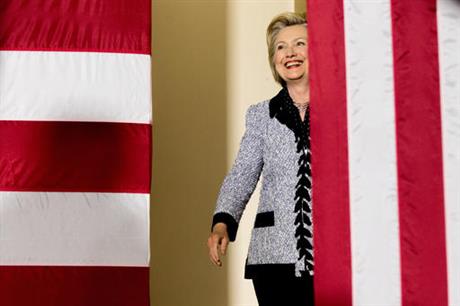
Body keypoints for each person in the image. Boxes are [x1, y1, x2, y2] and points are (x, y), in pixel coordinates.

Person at [207, 12, 313, 306]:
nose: (289, 53)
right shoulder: (261, 115)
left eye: (299, 44)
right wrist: (222, 222)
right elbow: (241, 175)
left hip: (335, 255)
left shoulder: (344, 110)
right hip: (272, 259)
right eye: (280, 47)